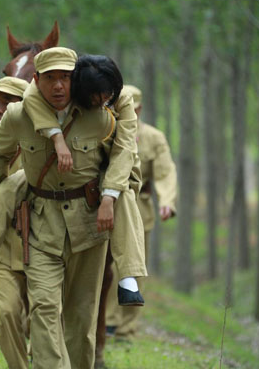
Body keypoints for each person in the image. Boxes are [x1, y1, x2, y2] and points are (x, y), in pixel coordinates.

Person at [0, 47, 125, 368]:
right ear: (37, 81)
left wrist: (109, 196)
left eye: (65, 77)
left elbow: (123, 156)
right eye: (50, 78)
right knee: (41, 309)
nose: (58, 85)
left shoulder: (98, 116)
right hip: (39, 228)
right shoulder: (16, 118)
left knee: (81, 317)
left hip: (87, 227)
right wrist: (1, 195)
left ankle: (131, 277)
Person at [22, 55, 149, 305]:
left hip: (117, 165)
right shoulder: (66, 89)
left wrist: (109, 196)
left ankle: (128, 277)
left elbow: (124, 150)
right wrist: (57, 137)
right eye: (94, 99)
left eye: (106, 97)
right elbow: (29, 96)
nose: (101, 102)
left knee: (123, 195)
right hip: (83, 166)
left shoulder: (122, 99)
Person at [105, 84, 177, 340]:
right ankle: (105, 321)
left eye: (133, 110)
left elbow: (165, 171)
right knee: (104, 268)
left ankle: (126, 327)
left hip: (138, 209)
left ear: (140, 109)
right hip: (103, 209)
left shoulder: (154, 138)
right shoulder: (102, 129)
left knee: (133, 268)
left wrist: (167, 200)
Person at [0, 76, 31, 369]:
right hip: (4, 240)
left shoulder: (46, 137)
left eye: (8, 102)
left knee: (44, 316)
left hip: (42, 240)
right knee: (6, 313)